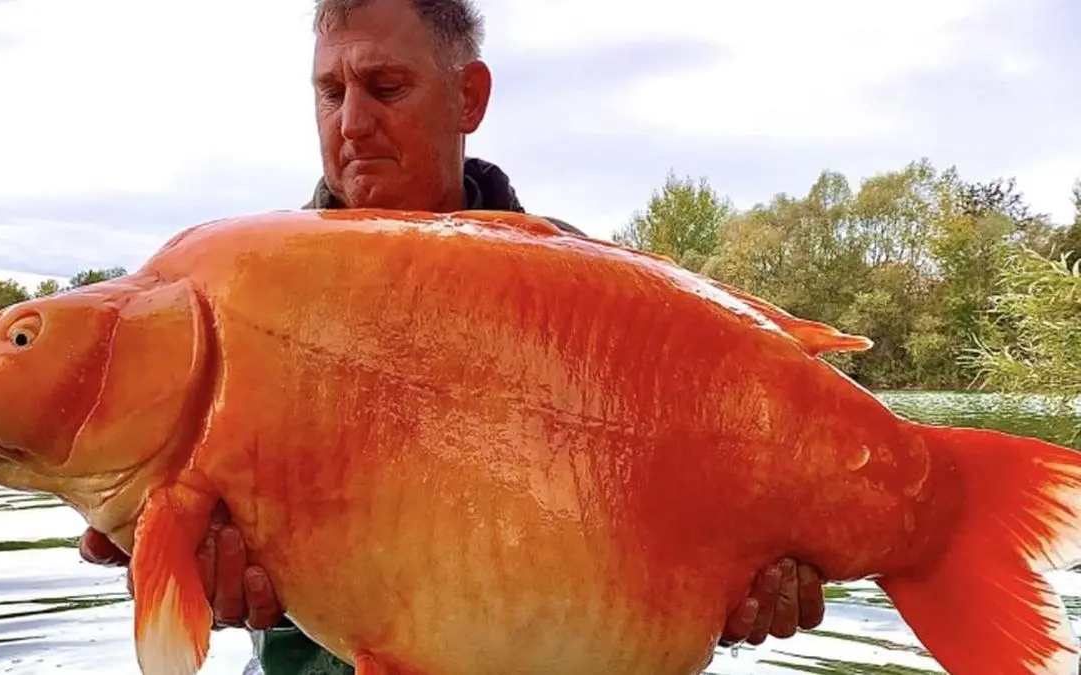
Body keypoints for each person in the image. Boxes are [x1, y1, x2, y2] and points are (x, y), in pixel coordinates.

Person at [78, 0, 828, 672]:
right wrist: (171, 558)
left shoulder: (602, 304)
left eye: (386, 87)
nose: (352, 122)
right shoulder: (236, 297)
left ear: (468, 97)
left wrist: (736, 600)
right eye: (330, 92)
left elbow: (672, 549)